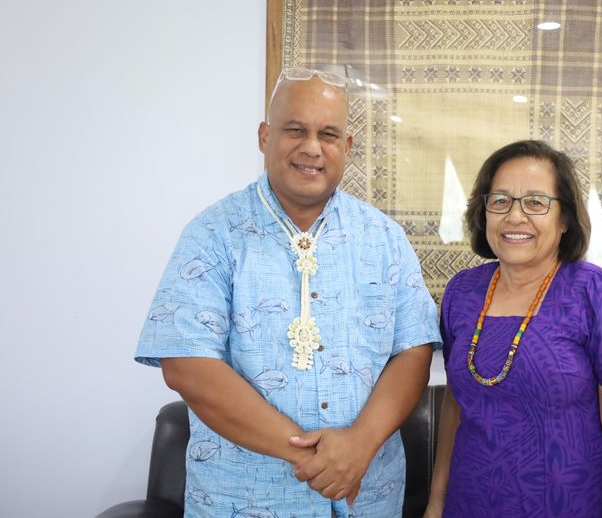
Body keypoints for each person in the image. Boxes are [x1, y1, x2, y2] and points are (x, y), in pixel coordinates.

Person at [136, 67, 441, 517]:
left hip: (368, 498)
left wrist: (358, 447)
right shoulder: (212, 234)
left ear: (348, 147)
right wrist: (312, 459)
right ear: (264, 136)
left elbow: (412, 352)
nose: (312, 147)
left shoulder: (384, 238)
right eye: (295, 129)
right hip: (242, 500)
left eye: (329, 134)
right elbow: (187, 364)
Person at [424, 140, 602, 517]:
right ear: (484, 212)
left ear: (564, 220)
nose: (514, 216)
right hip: (469, 504)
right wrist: (436, 503)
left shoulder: (598, 296)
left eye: (535, 202)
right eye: (500, 201)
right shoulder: (462, 293)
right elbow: (456, 405)